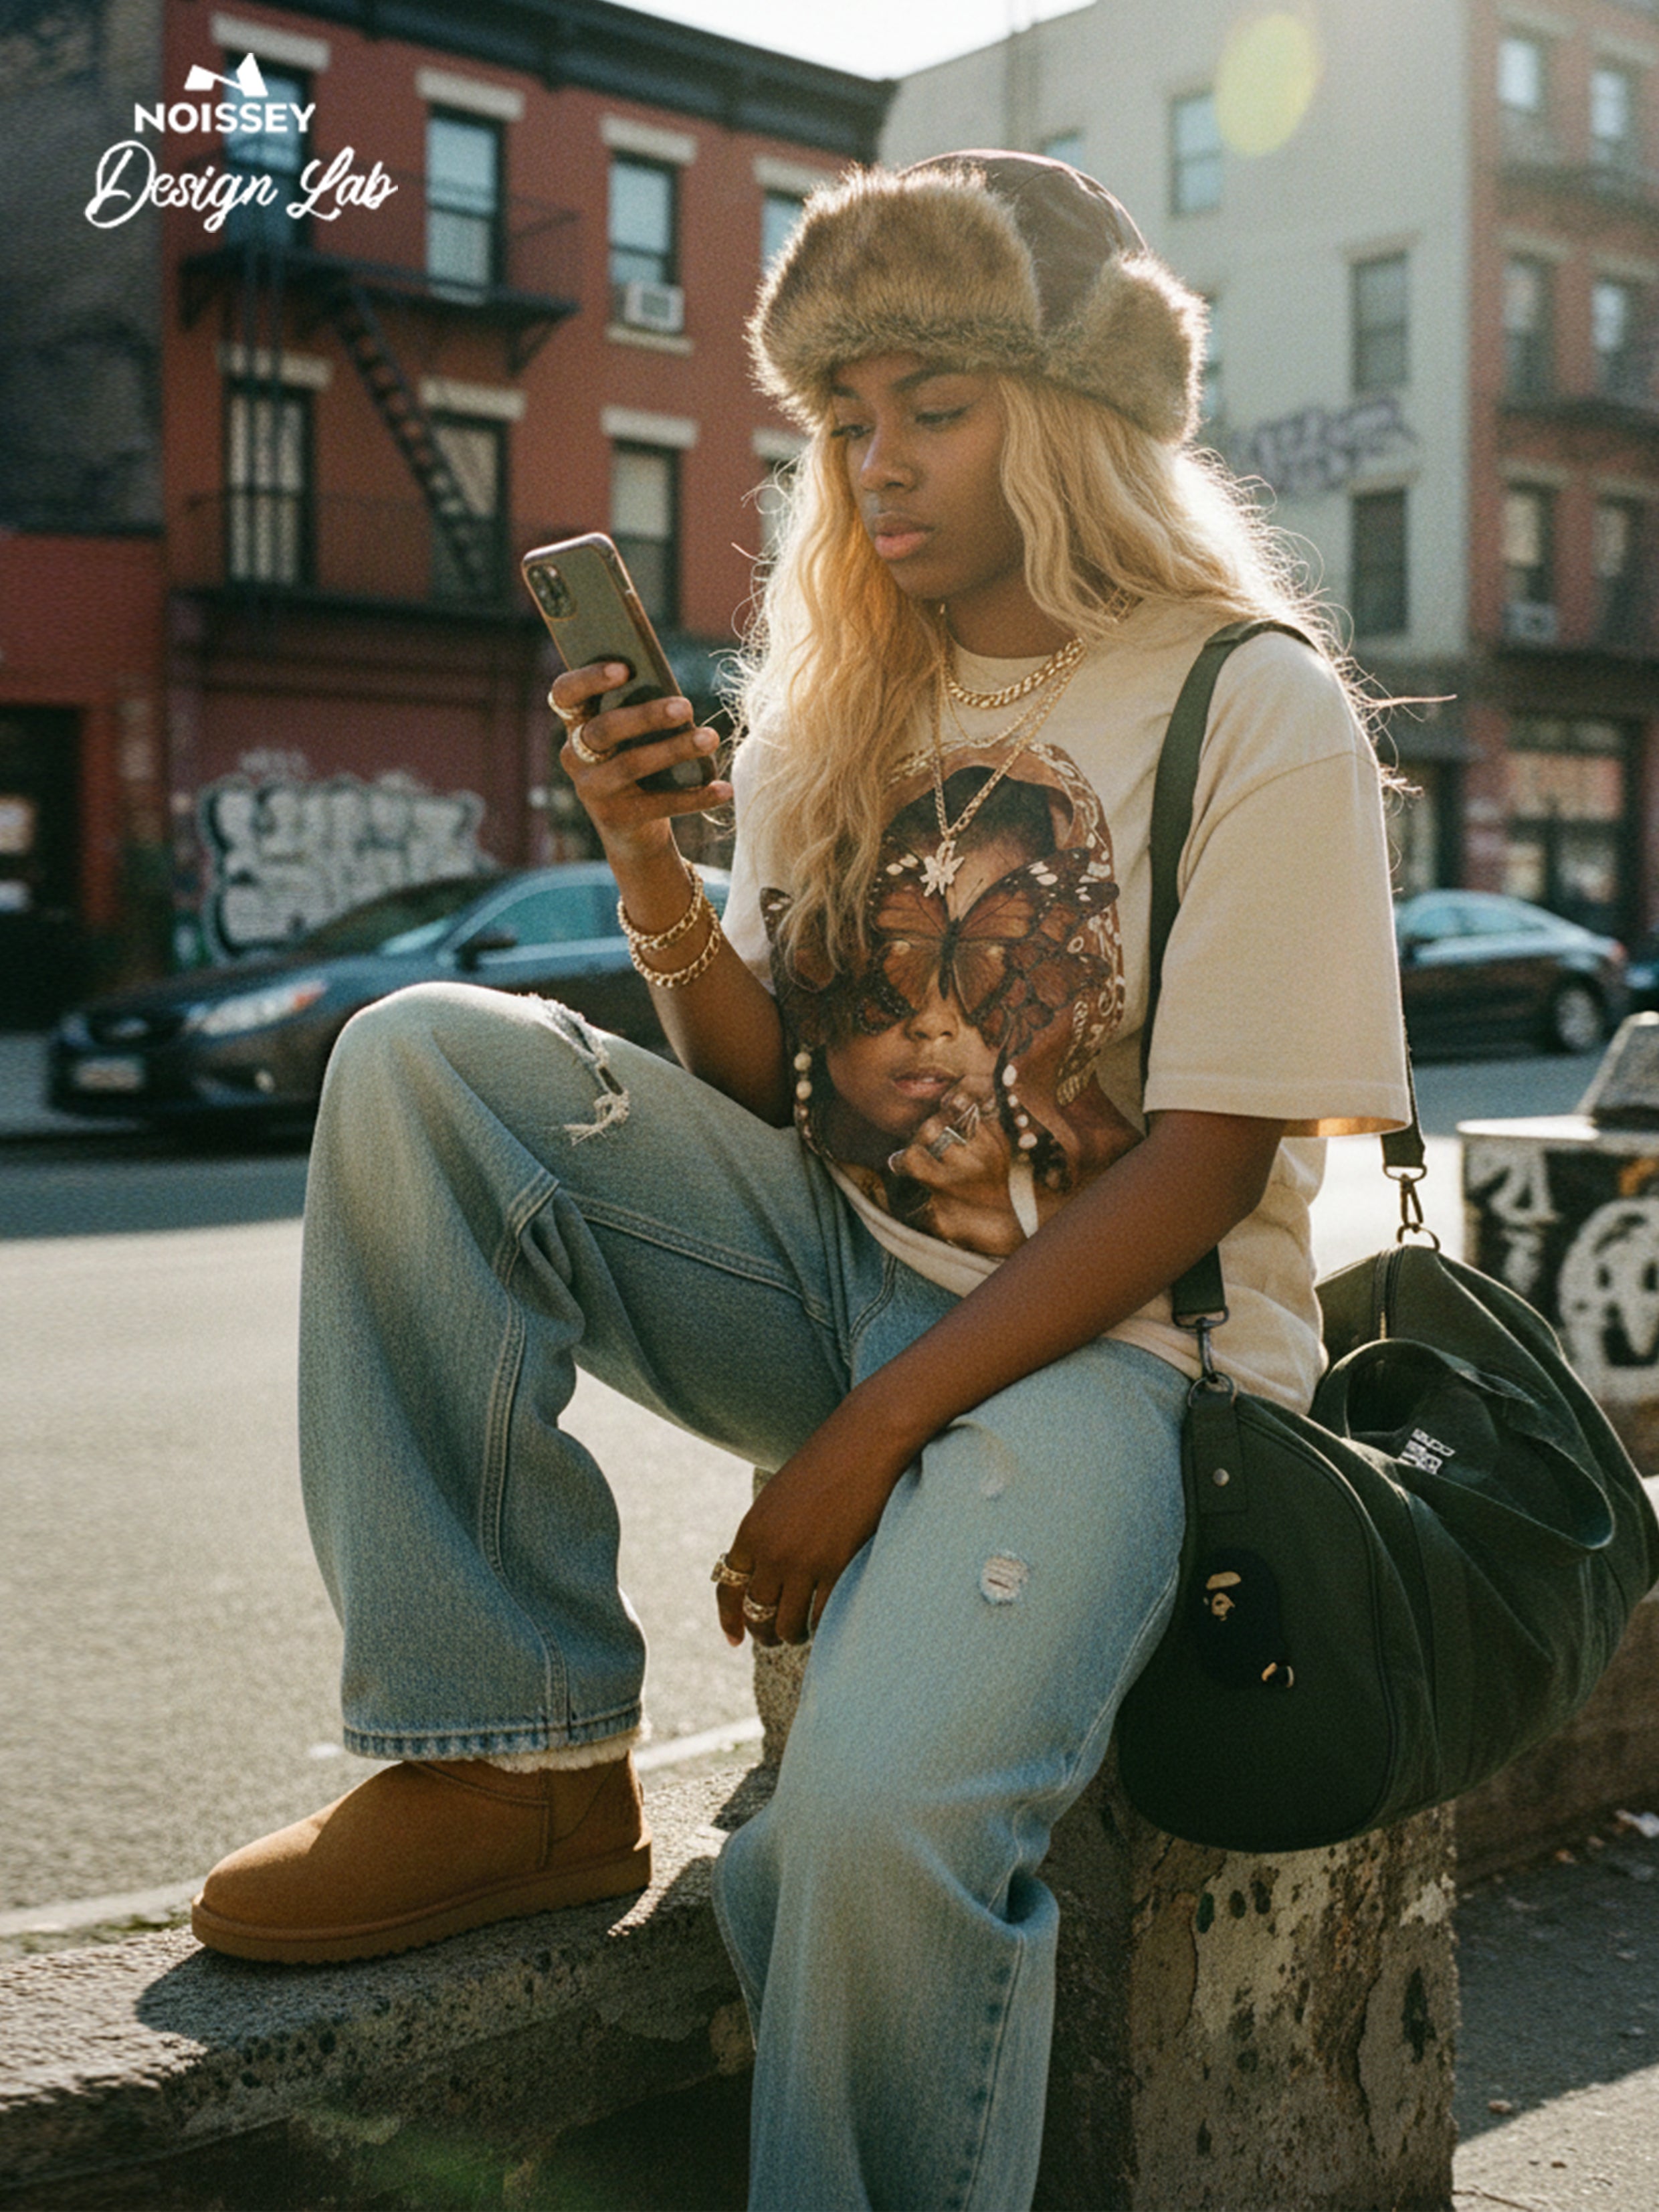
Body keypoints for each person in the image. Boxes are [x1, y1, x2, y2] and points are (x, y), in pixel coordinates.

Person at [191, 152, 1410, 2209]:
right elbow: (782, 1086)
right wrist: (651, 861)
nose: (878, 465)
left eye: (934, 405)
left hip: (1115, 1359)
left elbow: (1204, 1169)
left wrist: (869, 1435)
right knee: (420, 1060)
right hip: (837, 1268)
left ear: (1077, 415)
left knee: (865, 1832)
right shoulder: (842, 701)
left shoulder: (1247, 700)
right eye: (844, 421)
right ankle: (518, 1764)